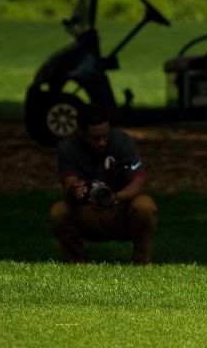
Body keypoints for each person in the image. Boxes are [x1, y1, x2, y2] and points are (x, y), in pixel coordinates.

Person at [48, 103, 159, 265]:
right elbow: (69, 181)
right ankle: (77, 262)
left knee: (145, 206)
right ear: (81, 133)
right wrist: (75, 191)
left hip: (119, 208)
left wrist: (115, 197)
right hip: (88, 210)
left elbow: (138, 180)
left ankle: (142, 262)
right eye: (95, 138)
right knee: (58, 212)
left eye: (105, 136)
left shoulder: (122, 141)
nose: (101, 142)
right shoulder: (68, 147)